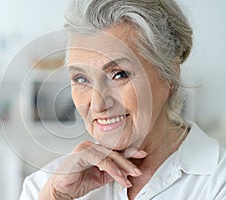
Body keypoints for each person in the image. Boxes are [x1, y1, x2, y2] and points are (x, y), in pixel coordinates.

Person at [20, 0, 226, 199]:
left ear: (170, 76)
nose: (98, 104)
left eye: (119, 74)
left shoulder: (217, 182)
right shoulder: (46, 185)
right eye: (81, 79)